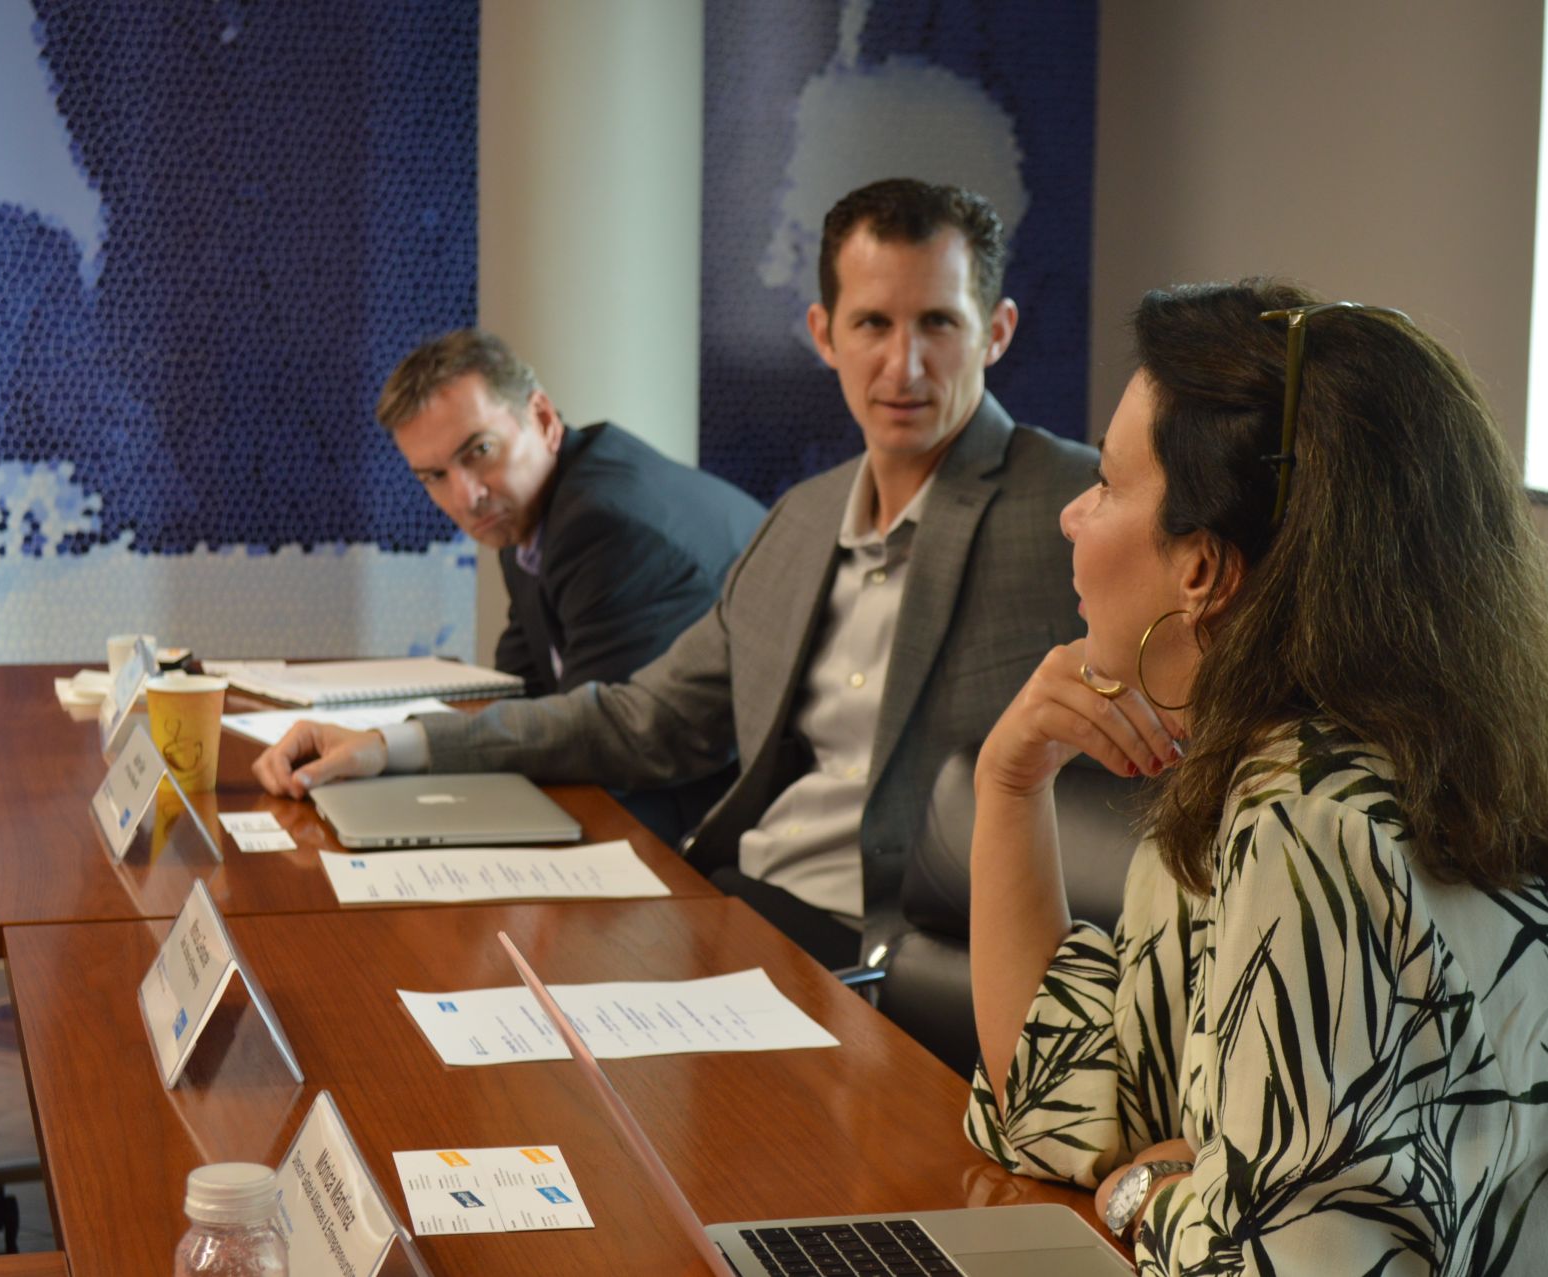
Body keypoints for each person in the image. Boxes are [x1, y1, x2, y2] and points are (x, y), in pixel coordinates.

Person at [965, 280, 1548, 1273]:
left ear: (1202, 568)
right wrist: (1010, 785)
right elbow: (1074, 1090)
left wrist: (1158, 1193)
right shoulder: (1428, 754)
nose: (1071, 515)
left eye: (1105, 483)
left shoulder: (1309, 825)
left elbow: (1287, 1259)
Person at [255, 179, 1096, 967]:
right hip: (737, 906)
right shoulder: (801, 520)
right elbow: (639, 719)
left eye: (939, 323)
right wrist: (395, 747)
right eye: (873, 323)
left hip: (899, 957)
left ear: (997, 330)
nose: (903, 366)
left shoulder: (1074, 507)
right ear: (823, 334)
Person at [376, 330, 765, 699]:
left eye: (480, 451)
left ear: (543, 419)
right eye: (434, 476)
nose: (466, 497)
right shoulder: (528, 517)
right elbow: (517, 693)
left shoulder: (604, 525)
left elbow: (591, 738)